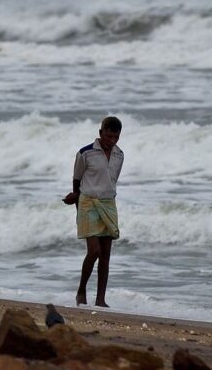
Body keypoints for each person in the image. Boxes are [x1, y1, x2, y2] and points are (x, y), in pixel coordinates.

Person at [63, 116, 124, 307]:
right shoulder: (85, 153)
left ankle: (100, 299)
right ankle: (81, 291)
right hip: (88, 202)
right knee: (94, 251)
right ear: (100, 133)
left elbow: (112, 180)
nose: (111, 141)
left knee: (106, 254)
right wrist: (76, 201)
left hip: (109, 203)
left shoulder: (119, 155)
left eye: (116, 137)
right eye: (108, 136)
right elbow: (77, 180)